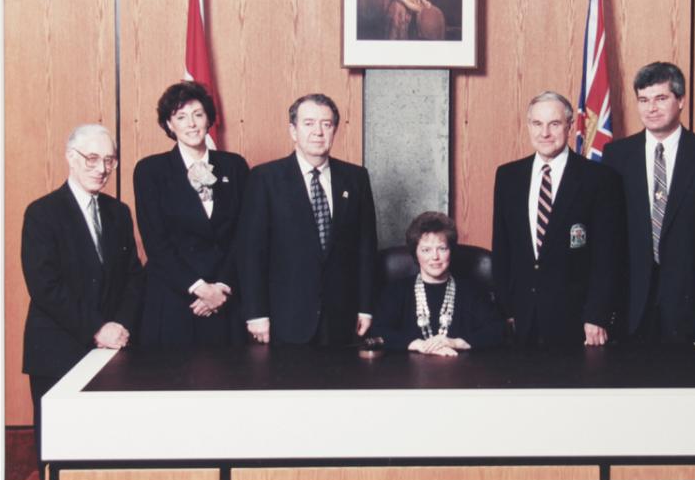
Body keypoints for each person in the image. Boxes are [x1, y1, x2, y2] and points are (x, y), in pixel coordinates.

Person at [21, 124, 143, 476]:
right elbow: (45, 287)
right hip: (58, 351)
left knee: (107, 453)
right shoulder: (42, 213)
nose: (101, 168)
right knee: (60, 458)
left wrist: (120, 326)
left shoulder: (118, 212)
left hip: (112, 351)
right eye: (92, 158)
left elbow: (134, 277)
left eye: (109, 160)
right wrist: (97, 328)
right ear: (70, 158)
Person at [602, 61, 695, 342]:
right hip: (631, 303)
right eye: (643, 100)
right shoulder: (617, 155)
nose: (651, 108)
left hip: (692, 301)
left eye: (660, 98)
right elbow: (608, 233)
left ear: (681, 101)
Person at [237, 93, 378, 346]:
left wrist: (365, 308)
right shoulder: (265, 178)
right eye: (309, 123)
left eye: (326, 124)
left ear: (334, 130)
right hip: (285, 317)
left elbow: (366, 248)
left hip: (342, 317)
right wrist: (256, 313)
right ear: (293, 130)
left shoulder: (356, 178)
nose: (318, 132)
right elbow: (251, 252)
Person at [492, 91, 624, 347]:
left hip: (577, 320)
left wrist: (596, 315)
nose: (545, 133)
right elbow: (502, 248)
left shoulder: (599, 179)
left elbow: (608, 256)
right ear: (528, 126)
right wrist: (505, 310)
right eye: (537, 124)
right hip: (521, 318)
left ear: (570, 126)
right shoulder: (508, 176)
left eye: (554, 124)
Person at [133, 81, 249, 348]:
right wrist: (200, 288)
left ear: (209, 119)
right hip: (174, 298)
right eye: (181, 117)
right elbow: (156, 242)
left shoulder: (235, 166)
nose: (192, 124)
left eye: (198, 114)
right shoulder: (150, 171)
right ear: (169, 124)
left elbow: (244, 235)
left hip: (224, 298)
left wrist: (220, 287)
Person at [372, 212, 504, 355]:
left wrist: (456, 342)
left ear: (451, 251)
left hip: (461, 367)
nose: (435, 257)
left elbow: (497, 330)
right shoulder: (396, 291)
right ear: (415, 253)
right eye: (426, 250)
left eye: (442, 248)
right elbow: (378, 330)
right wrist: (417, 344)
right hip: (407, 368)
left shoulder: (472, 291)